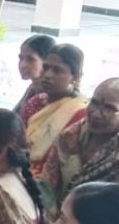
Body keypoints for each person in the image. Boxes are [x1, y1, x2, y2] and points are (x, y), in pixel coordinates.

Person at [42, 77, 119, 223]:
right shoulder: (72, 134)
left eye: (109, 108)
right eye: (94, 102)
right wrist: (50, 221)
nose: (96, 113)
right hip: (65, 217)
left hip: (117, 222)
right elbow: (47, 184)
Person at [22, 43, 87, 176]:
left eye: (57, 70)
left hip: (48, 178)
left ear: (75, 77)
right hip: (20, 165)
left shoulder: (79, 112)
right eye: (45, 67)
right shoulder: (36, 102)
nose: (47, 75)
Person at [14, 35, 56, 114]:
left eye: (31, 59)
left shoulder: (50, 98)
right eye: (21, 58)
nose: (22, 65)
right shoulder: (32, 88)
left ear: (47, 62)